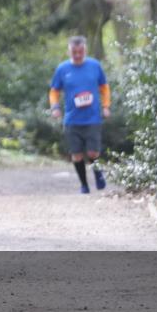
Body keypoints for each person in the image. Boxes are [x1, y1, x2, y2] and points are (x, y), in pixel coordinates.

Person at [49, 35, 111, 194]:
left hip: (92, 117)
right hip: (72, 119)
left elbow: (104, 87)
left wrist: (106, 106)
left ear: (85, 50)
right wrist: (55, 106)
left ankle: (98, 175)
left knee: (93, 153)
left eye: (80, 51)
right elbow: (54, 91)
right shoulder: (62, 69)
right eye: (74, 52)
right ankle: (84, 185)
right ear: (69, 51)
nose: (77, 55)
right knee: (76, 155)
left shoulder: (94, 66)